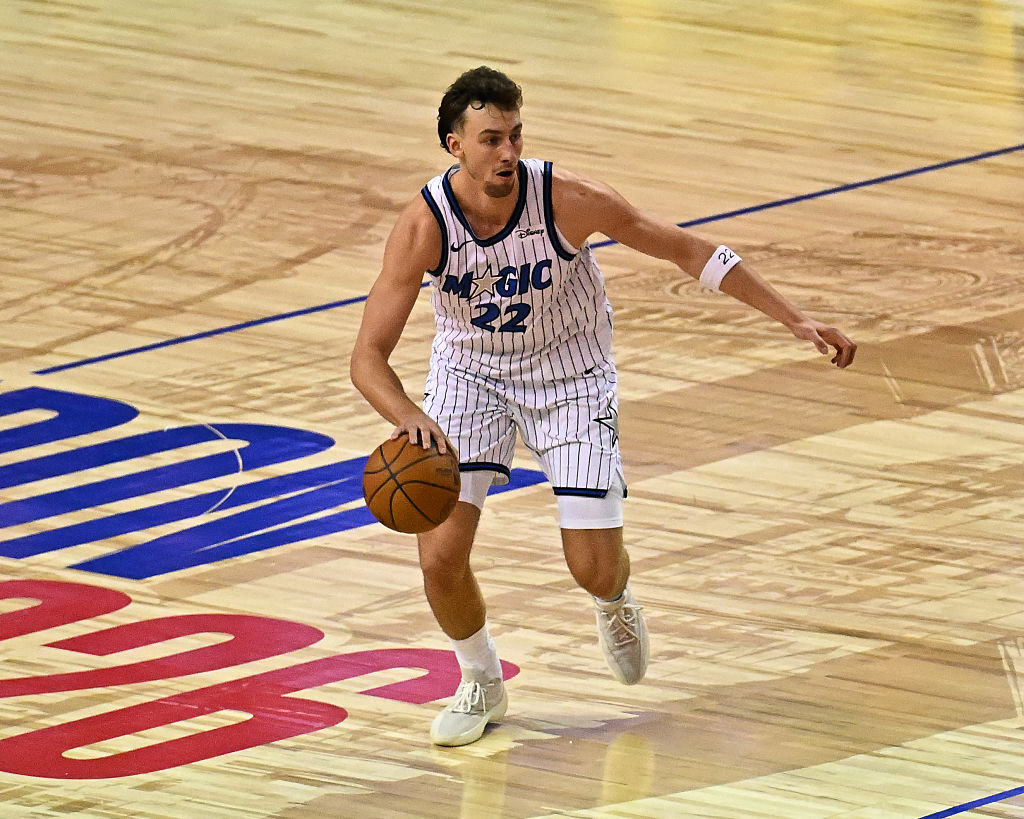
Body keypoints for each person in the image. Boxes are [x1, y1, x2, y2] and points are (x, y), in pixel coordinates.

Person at [349, 66, 856, 747]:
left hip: (570, 374)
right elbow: (366, 358)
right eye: (491, 139)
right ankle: (481, 677)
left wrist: (794, 319)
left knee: (591, 566)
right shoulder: (425, 224)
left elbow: (684, 247)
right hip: (471, 376)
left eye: (515, 136)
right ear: (455, 145)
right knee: (439, 556)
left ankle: (615, 600)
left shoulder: (568, 199)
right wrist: (407, 413)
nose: (507, 153)